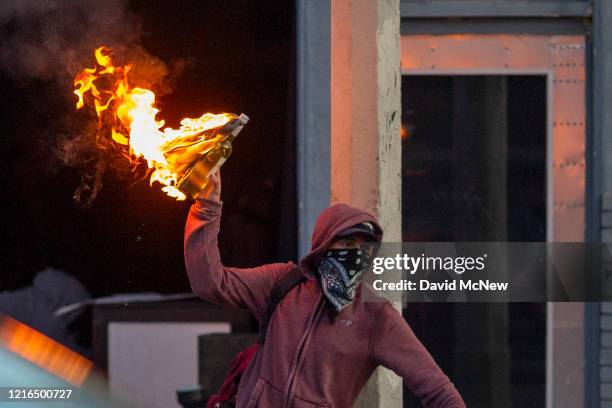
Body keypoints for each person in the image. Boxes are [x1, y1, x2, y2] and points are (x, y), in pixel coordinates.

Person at [184, 171, 465, 408]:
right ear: (322, 247)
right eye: (345, 244)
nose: (355, 255)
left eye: (363, 247)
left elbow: (438, 390)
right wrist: (207, 206)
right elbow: (210, 283)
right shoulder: (283, 283)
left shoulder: (377, 317)